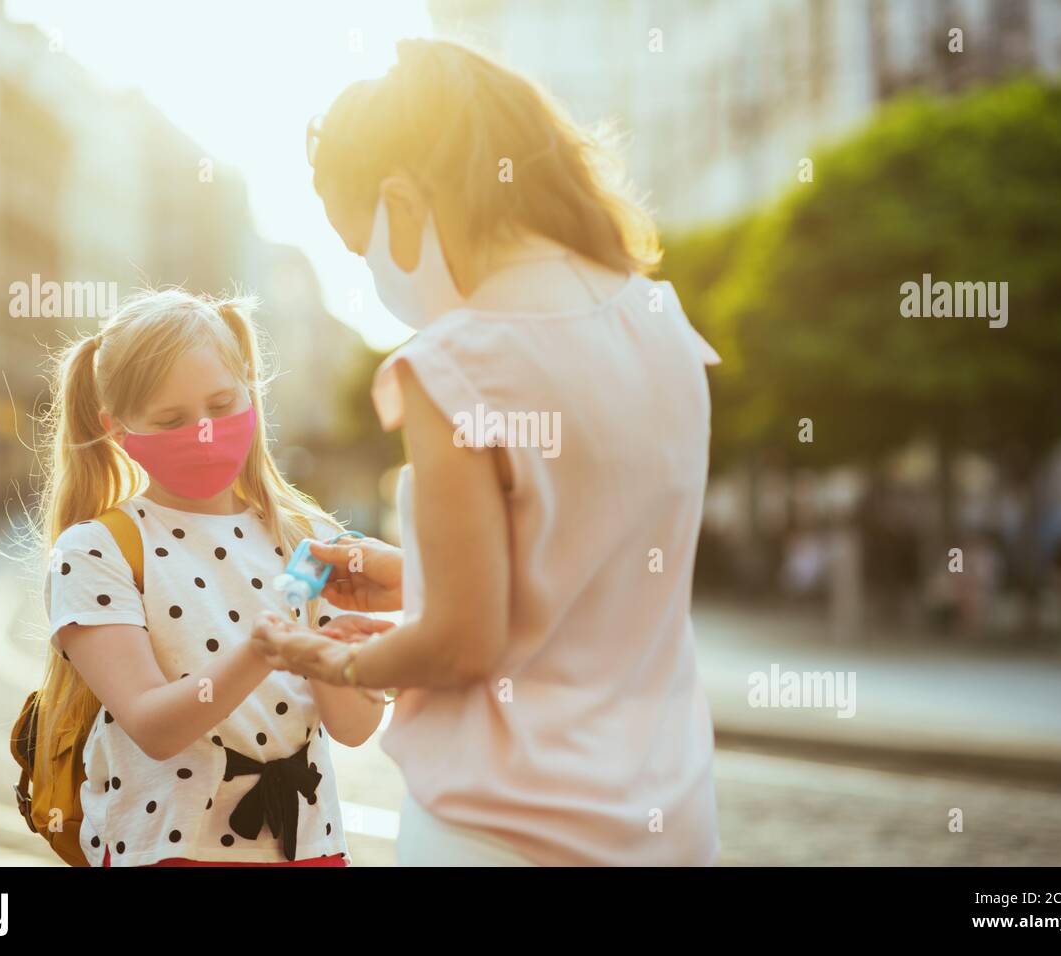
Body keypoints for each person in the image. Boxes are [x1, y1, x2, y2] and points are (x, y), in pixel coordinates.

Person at [252, 38, 721, 866]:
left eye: (361, 243)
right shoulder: (664, 326)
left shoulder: (458, 365)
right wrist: (412, 572)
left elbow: (462, 646)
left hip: (503, 829)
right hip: (670, 814)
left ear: (402, 196)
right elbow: (589, 557)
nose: (373, 272)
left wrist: (320, 653)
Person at [36, 289, 383, 866]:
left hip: (311, 848)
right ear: (118, 430)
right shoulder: (98, 550)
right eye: (171, 419)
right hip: (171, 852)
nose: (202, 431)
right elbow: (153, 725)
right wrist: (265, 649)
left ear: (249, 387)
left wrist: (341, 660)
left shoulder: (307, 539)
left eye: (221, 405)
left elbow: (354, 726)